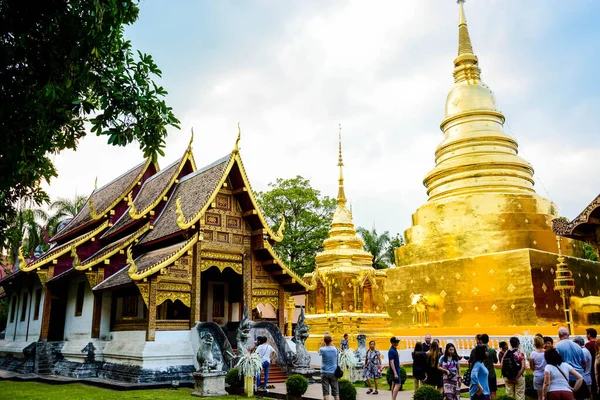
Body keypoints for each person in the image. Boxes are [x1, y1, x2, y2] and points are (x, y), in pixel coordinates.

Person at [319, 334, 339, 400]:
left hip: (324, 372)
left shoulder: (322, 350)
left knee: (325, 393)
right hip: (333, 372)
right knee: (336, 393)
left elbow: (319, 349)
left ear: (325, 341)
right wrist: (331, 341)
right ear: (331, 341)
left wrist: (323, 342)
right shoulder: (335, 349)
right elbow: (334, 347)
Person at [481, 334, 498, 400]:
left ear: (481, 340)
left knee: (482, 390)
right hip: (491, 373)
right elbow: (496, 361)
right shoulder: (492, 350)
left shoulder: (477, 350)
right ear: (488, 340)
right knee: (493, 391)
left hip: (481, 373)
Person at [530, 336, 547, 400]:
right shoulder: (546, 352)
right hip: (546, 374)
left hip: (537, 375)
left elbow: (531, 366)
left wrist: (535, 370)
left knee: (539, 396)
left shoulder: (533, 354)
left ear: (534, 344)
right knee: (546, 395)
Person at [586, 329, 597, 400]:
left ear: (589, 335)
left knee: (593, 389)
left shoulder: (588, 345)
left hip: (592, 368)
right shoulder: (598, 343)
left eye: (587, 334)